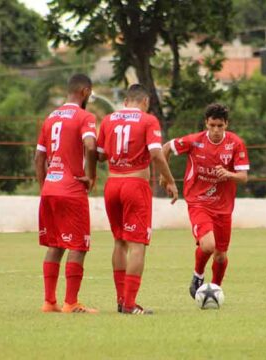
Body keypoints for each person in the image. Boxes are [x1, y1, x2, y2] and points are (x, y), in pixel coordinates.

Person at [97, 84, 178, 315]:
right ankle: (130, 304)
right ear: (145, 101)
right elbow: (155, 153)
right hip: (135, 185)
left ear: (125, 101)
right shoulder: (148, 119)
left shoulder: (108, 119)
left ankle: (121, 300)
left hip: (112, 184)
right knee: (137, 245)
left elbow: (100, 155)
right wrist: (170, 180)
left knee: (119, 242)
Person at [162, 104, 250, 298]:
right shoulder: (195, 141)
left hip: (224, 207)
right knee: (208, 245)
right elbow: (166, 147)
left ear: (226, 124)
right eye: (212, 125)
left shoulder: (236, 144)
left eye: (220, 125)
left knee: (220, 255)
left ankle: (214, 289)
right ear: (206, 124)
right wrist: (166, 179)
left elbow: (243, 177)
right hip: (198, 202)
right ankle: (198, 275)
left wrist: (228, 174)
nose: (216, 130)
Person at [35, 73, 98, 313]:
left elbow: (38, 157)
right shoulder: (85, 116)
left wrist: (45, 187)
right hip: (72, 190)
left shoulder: (50, 117)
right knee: (78, 246)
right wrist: (91, 175)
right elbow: (91, 146)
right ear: (85, 92)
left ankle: (49, 302)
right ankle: (71, 302)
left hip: (50, 188)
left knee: (56, 243)